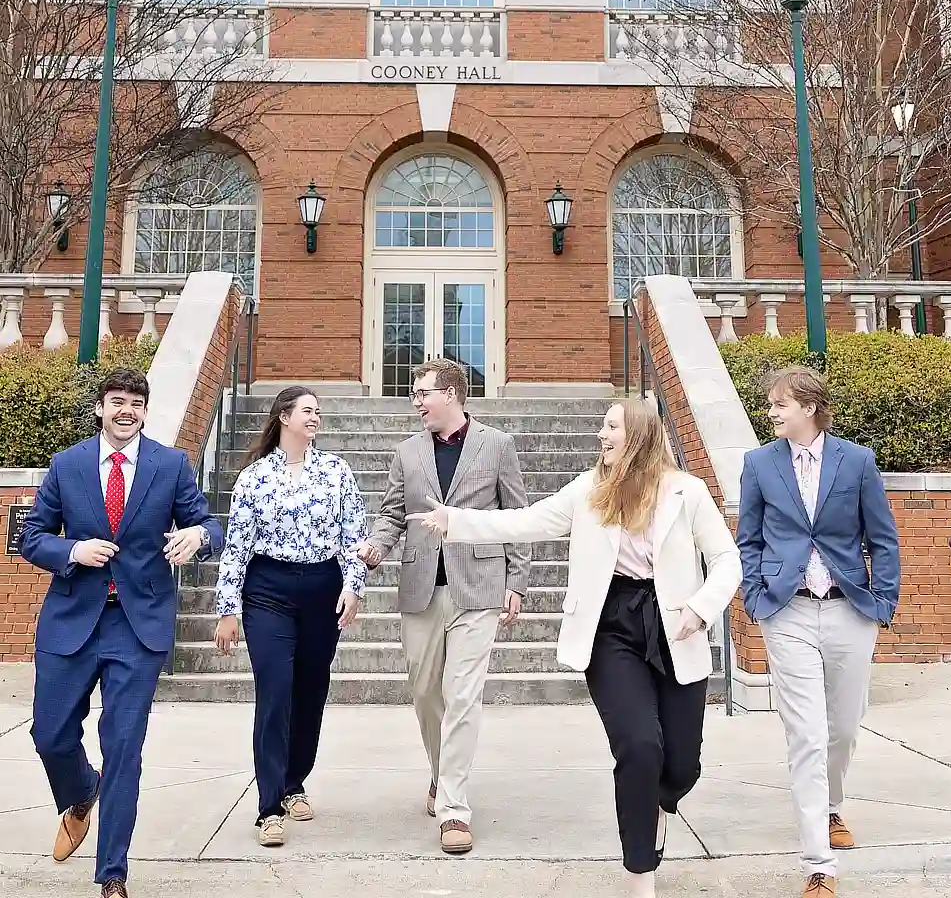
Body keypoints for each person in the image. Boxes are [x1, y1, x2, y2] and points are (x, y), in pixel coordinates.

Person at [405, 397, 740, 898]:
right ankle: (640, 873)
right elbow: (527, 521)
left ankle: (659, 803)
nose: (601, 436)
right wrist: (457, 521)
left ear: (641, 436)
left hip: (674, 624)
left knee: (681, 765)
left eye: (611, 427)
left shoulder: (686, 492)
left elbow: (726, 558)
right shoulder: (589, 490)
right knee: (639, 746)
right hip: (610, 628)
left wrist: (700, 607)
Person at [18, 368, 223, 898]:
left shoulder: (170, 465)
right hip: (72, 621)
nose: (126, 410)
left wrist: (197, 536)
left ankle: (113, 873)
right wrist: (71, 551)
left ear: (145, 411)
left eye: (135, 402)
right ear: (100, 409)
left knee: (124, 746)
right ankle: (82, 792)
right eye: (117, 402)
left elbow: (211, 524)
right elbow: (32, 537)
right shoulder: (68, 466)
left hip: (138, 625)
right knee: (50, 734)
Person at [736, 366, 901, 898]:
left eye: (781, 404)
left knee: (845, 727)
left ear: (809, 406)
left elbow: (883, 536)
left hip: (850, 609)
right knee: (805, 733)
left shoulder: (857, 460)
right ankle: (819, 865)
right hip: (788, 612)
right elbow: (749, 539)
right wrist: (758, 599)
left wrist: (883, 601)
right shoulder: (758, 464)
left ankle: (831, 807)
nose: (772, 412)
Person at [356, 358, 528, 854]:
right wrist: (376, 548)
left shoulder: (497, 445)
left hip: (479, 588)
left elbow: (516, 516)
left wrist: (516, 579)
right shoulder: (407, 452)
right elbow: (393, 514)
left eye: (424, 393)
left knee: (463, 694)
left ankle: (454, 806)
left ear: (451, 394)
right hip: (421, 587)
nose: (417, 402)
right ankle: (441, 770)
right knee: (426, 690)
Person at [212, 386, 367, 848]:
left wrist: (353, 586)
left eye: (318, 410)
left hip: (322, 590)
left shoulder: (336, 471)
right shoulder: (255, 477)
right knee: (275, 691)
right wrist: (228, 609)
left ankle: (295, 780)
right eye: (307, 410)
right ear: (284, 416)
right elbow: (237, 544)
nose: (315, 417)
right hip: (268, 592)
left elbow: (353, 533)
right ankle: (268, 807)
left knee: (311, 690)